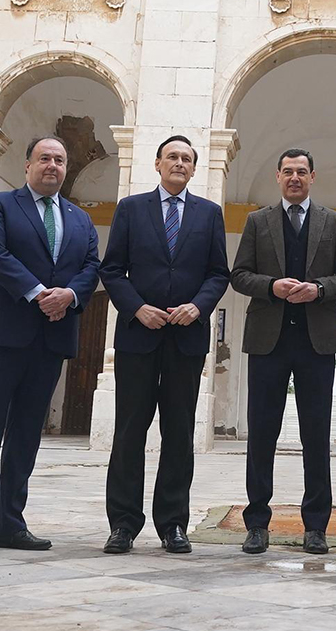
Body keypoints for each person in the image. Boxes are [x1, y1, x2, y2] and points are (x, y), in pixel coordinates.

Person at [0, 136, 101, 556]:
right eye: (44, 158)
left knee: (27, 435)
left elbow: (90, 267)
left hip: (50, 338)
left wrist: (69, 296)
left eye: (60, 160)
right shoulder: (0, 205)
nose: (52, 165)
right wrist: (37, 292)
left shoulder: (80, 219)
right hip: (2, 336)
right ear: (28, 165)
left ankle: (9, 523)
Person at [98, 135, 229, 555]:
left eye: (186, 159)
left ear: (194, 169)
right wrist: (137, 308)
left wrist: (198, 306)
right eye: (171, 156)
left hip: (186, 339)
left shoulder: (209, 215)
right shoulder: (130, 209)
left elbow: (218, 273)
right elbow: (113, 269)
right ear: (157, 164)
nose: (179, 163)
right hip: (139, 336)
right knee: (129, 431)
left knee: (178, 434)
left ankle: (173, 524)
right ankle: (122, 524)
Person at [229, 148, 336, 555]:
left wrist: (319, 289)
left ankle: (316, 526)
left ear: (313, 177)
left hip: (316, 343)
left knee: (316, 436)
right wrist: (272, 286)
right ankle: (256, 524)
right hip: (268, 341)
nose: (295, 178)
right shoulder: (257, 221)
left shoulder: (333, 222)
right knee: (261, 435)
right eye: (288, 172)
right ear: (278, 176)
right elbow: (239, 275)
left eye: (302, 172)